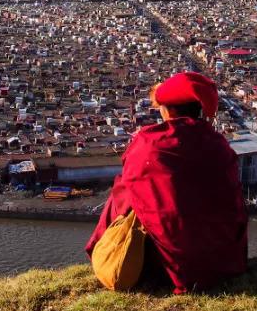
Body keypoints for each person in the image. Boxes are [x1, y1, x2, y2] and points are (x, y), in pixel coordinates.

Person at [86, 71, 248, 293]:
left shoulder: (150, 143)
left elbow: (130, 195)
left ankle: (115, 255)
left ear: (168, 109)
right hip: (221, 259)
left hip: (170, 263)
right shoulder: (218, 144)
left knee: (123, 192)